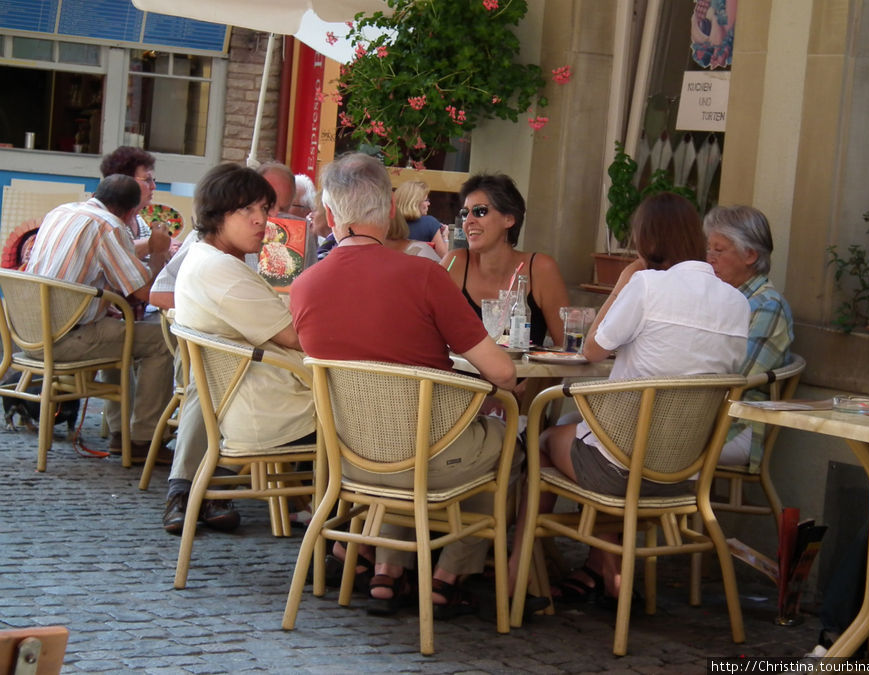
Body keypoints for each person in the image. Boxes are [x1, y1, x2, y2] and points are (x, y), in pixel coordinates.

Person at [290, 152, 518, 618]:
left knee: (412, 433)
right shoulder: (425, 275)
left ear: (331, 215)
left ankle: (388, 569)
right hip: (428, 458)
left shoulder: (305, 285)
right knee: (508, 436)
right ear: (390, 210)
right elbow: (503, 374)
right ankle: (448, 574)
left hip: (347, 462)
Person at [507, 192, 750, 605]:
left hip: (621, 470)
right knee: (587, 435)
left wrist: (624, 282)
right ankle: (610, 571)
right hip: (685, 474)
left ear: (645, 241)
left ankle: (517, 574)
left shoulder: (647, 284)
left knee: (544, 439)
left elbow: (590, 350)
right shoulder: (737, 302)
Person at [166, 163, 317, 534]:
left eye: (264, 209)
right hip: (268, 407)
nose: (261, 220)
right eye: (246, 210)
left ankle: (199, 488)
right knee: (372, 406)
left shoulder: (207, 259)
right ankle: (349, 532)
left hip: (239, 396)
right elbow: (297, 337)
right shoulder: (220, 269)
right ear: (217, 214)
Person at [25, 174, 173, 459]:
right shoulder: (109, 226)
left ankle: (121, 434)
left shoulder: (62, 211)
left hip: (30, 332)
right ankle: (143, 440)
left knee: (115, 326)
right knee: (161, 340)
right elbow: (145, 291)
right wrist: (158, 250)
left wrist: (101, 305)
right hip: (64, 338)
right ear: (130, 213)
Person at [704, 205, 794, 468]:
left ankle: (640, 508)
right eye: (708, 248)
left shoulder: (767, 306)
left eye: (719, 250)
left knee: (610, 439)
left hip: (733, 427)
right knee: (587, 430)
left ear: (750, 255)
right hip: (700, 418)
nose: (709, 258)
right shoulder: (719, 297)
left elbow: (733, 378)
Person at [444, 173, 569, 347]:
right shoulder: (455, 262)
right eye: (465, 214)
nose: (469, 221)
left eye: (480, 211)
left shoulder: (540, 269)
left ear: (509, 218)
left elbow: (566, 349)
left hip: (523, 374)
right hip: (457, 374)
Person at [394, 180, 448, 258]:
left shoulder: (389, 224)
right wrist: (445, 237)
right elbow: (445, 260)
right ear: (414, 202)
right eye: (426, 200)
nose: (429, 204)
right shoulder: (430, 223)